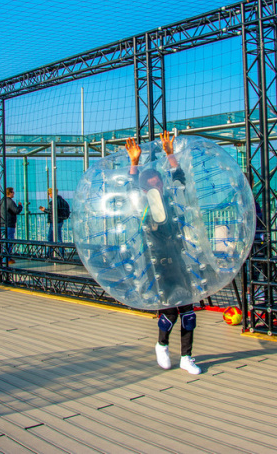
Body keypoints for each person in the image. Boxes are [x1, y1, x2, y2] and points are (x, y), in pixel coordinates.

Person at [126, 132, 201, 375]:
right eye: (149, 182)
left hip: (180, 258)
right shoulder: (143, 205)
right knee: (169, 312)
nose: (155, 183)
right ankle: (162, 345)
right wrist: (134, 163)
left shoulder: (170, 199)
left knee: (188, 313)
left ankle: (187, 357)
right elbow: (131, 190)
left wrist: (170, 154)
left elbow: (180, 181)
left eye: (157, 180)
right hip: (157, 262)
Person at [0, 187, 23, 264]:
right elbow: (16, 210)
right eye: (13, 192)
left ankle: (4, 257)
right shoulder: (9, 201)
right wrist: (20, 206)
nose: (14, 193)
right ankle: (7, 259)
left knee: (5, 241)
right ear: (9, 193)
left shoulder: (2, 201)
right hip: (9, 224)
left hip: (2, 223)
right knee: (9, 241)